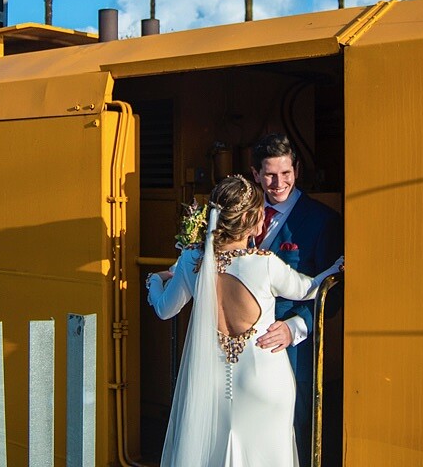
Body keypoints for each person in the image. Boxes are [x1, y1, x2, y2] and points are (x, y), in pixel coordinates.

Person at [147, 175, 343, 467]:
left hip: (211, 382)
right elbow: (309, 289)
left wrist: (153, 280)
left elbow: (164, 309)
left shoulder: (191, 260)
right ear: (253, 221)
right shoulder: (265, 263)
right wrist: (335, 267)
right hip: (264, 379)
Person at [251, 133, 343, 467]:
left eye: (286, 173)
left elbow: (334, 291)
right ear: (256, 174)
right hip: (243, 346)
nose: (279, 184)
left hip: (292, 349)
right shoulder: (240, 215)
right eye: (270, 175)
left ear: (297, 170)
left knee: (293, 427)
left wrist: (294, 327)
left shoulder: (323, 220)